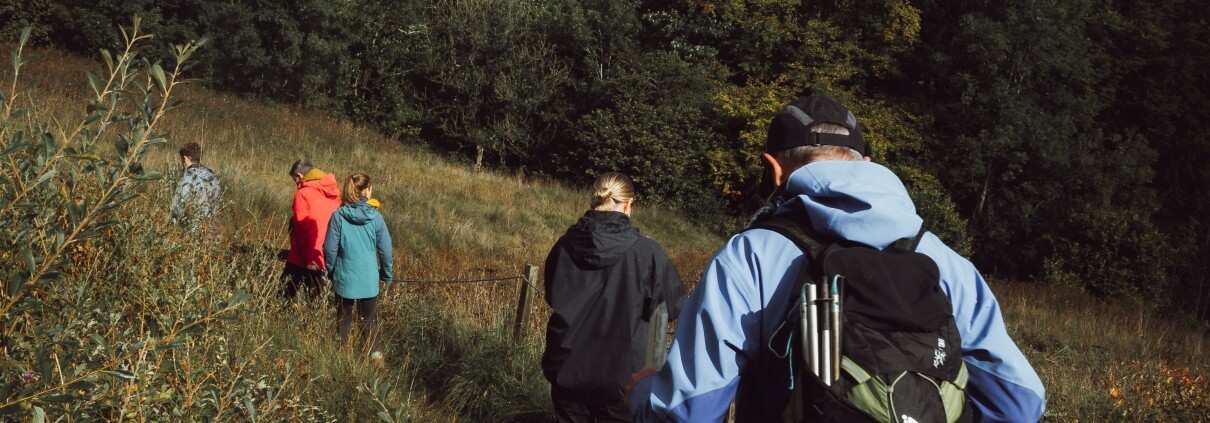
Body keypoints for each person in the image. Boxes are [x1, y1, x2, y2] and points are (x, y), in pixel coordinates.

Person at [627, 95, 1046, 422]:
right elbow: (1021, 402)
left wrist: (645, 396)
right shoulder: (943, 260)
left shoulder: (749, 257)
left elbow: (691, 412)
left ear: (773, 169)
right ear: (867, 164)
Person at [542, 172, 688, 423]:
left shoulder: (563, 245)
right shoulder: (648, 251)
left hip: (568, 370)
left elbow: (553, 295)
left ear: (594, 200)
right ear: (629, 203)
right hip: (625, 379)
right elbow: (670, 309)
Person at [323, 172, 394, 363]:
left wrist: (331, 271)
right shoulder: (376, 218)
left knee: (343, 319)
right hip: (369, 281)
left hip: (344, 278)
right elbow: (386, 252)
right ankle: (375, 358)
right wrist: (386, 275)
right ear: (367, 190)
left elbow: (329, 249)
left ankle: (342, 357)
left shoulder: (338, 216)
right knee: (369, 320)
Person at [282, 159, 342, 301]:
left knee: (284, 298)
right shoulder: (335, 193)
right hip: (325, 256)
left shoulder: (302, 194)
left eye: (295, 180)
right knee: (315, 301)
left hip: (302, 256)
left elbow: (302, 228)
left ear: (299, 176)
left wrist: (309, 258)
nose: (296, 184)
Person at [169, 142, 222, 232]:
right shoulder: (212, 177)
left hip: (191, 233)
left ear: (185, 159)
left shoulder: (187, 179)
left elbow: (178, 208)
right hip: (210, 231)